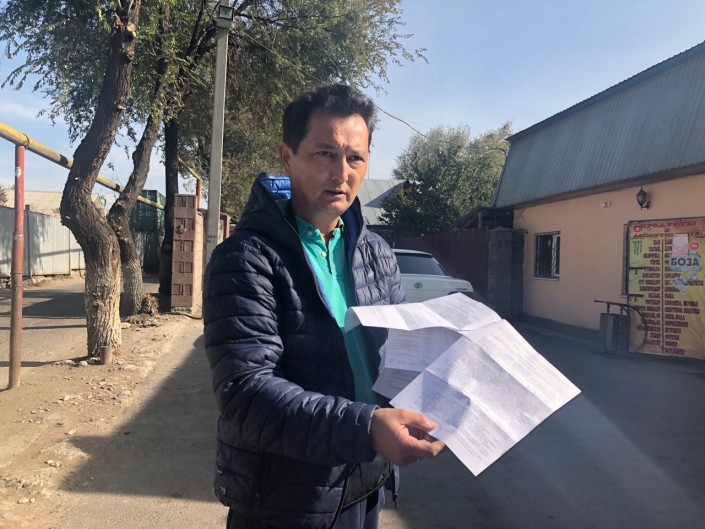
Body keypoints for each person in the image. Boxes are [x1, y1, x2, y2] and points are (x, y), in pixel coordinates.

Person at [203, 84, 445, 529]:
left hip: (366, 480)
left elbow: (398, 356)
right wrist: (367, 428)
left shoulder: (376, 253)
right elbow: (246, 392)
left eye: (355, 158)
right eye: (325, 154)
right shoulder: (245, 258)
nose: (341, 173)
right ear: (287, 157)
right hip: (286, 497)